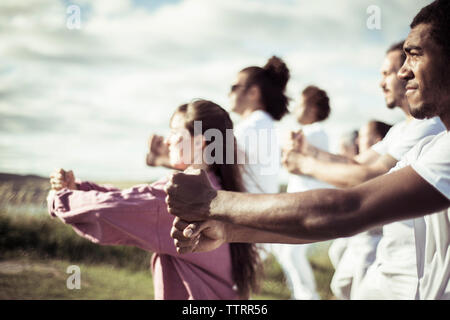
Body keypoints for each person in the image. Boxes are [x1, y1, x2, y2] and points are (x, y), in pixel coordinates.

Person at [167, 0, 450, 300]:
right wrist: (228, 231)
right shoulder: (432, 146)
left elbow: (347, 208)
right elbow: (342, 205)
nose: (403, 72)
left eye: (415, 55)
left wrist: (212, 202)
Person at [47, 100, 261, 300]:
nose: (167, 140)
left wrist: (59, 198)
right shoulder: (218, 188)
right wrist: (78, 189)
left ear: (199, 143)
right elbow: (132, 200)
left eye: (175, 132)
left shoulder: (185, 197)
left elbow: (107, 210)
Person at [271, 85, 333, 300]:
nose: (295, 108)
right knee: (285, 251)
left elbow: (286, 158)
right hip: (300, 201)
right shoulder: (311, 133)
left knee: (290, 252)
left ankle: (307, 296)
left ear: (313, 107)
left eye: (299, 103)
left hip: (306, 203)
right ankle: (302, 294)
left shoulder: (314, 133)